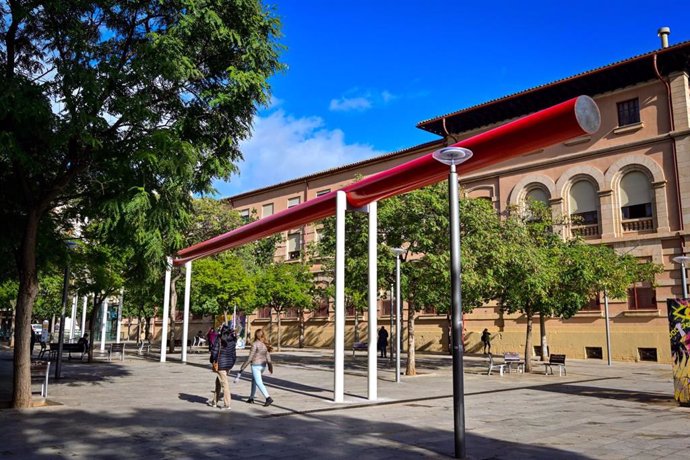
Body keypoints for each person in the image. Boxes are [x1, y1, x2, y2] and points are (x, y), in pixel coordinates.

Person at [237, 329, 273, 407]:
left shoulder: (255, 344)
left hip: (256, 366)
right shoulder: (265, 344)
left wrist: (242, 368)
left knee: (259, 382)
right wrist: (270, 367)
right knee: (254, 381)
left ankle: (268, 398)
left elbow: (250, 358)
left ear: (256, 335)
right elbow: (268, 357)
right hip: (263, 366)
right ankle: (251, 398)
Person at [207, 325, 237, 409]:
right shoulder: (232, 341)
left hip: (220, 365)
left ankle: (227, 404)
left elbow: (214, 352)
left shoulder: (219, 339)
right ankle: (214, 402)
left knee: (224, 384)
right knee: (218, 383)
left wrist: (212, 360)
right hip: (228, 365)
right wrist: (231, 364)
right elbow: (234, 355)